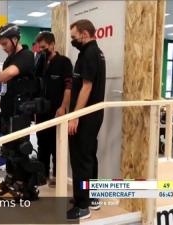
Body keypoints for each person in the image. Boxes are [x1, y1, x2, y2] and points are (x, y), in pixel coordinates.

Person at [0, 23, 44, 200]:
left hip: (21, 111)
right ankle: (10, 181)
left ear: (15, 40)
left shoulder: (26, 56)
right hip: (9, 109)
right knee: (9, 149)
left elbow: (9, 74)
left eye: (5, 43)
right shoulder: (11, 58)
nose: (3, 47)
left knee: (19, 149)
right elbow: (5, 73)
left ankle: (23, 185)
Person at [67, 19, 106, 220]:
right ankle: (92, 198)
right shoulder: (94, 51)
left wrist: (75, 116)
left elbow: (87, 86)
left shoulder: (90, 53)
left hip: (86, 116)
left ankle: (83, 206)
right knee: (89, 156)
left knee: (81, 158)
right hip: (92, 115)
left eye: (74, 37)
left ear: (84, 33)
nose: (72, 40)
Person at [34, 32, 73, 187]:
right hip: (41, 111)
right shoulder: (39, 62)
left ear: (52, 44)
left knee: (57, 145)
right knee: (42, 144)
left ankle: (58, 177)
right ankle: (42, 175)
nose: (42, 50)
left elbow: (68, 87)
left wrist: (63, 107)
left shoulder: (64, 62)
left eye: (44, 47)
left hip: (57, 111)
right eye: (39, 47)